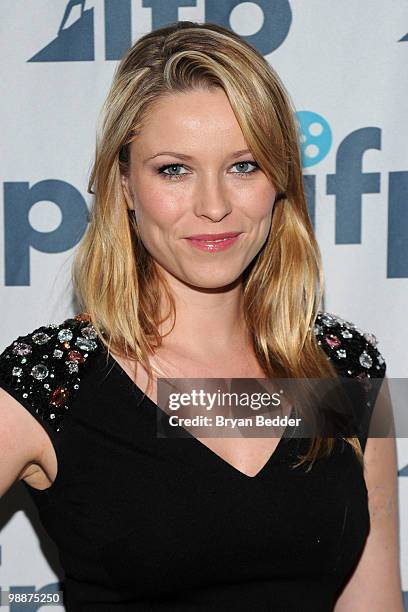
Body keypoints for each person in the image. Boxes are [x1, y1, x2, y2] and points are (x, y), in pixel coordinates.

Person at [0, 20, 403, 612]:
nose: (214, 206)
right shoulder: (56, 380)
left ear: (280, 179)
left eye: (244, 166)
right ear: (125, 185)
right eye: (174, 169)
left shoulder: (341, 369)